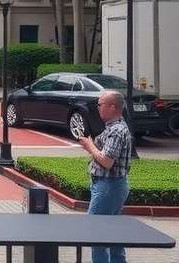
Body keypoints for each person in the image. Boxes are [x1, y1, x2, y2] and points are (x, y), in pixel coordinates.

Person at [78, 89, 132, 263]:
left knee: (97, 232)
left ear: (112, 107)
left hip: (109, 186)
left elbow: (107, 161)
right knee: (113, 231)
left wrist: (89, 146)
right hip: (109, 186)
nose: (98, 107)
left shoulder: (116, 130)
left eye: (100, 104)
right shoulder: (114, 127)